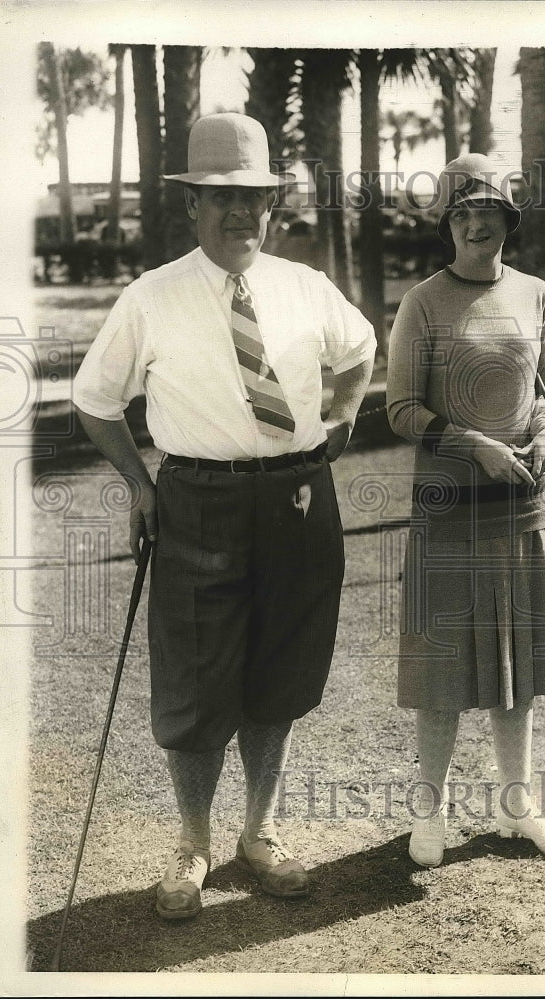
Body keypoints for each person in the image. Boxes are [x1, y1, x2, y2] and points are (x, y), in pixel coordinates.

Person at [73, 112, 376, 918]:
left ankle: (260, 832)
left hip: (300, 498)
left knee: (282, 669)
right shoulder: (151, 297)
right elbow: (95, 402)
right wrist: (142, 487)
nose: (241, 214)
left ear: (272, 205)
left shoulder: (304, 287)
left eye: (256, 198)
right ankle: (193, 843)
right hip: (197, 499)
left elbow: (358, 349)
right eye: (222, 198)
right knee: (199, 678)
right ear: (192, 206)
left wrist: (340, 422)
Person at [386, 153, 545, 867]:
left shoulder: (535, 292)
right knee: (443, 670)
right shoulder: (423, 301)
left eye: (489, 214)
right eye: (464, 214)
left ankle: (515, 809)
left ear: (507, 223)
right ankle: (429, 814)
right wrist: (473, 445)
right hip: (450, 507)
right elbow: (400, 409)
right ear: (448, 225)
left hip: (527, 505)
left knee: (518, 665)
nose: (477, 225)